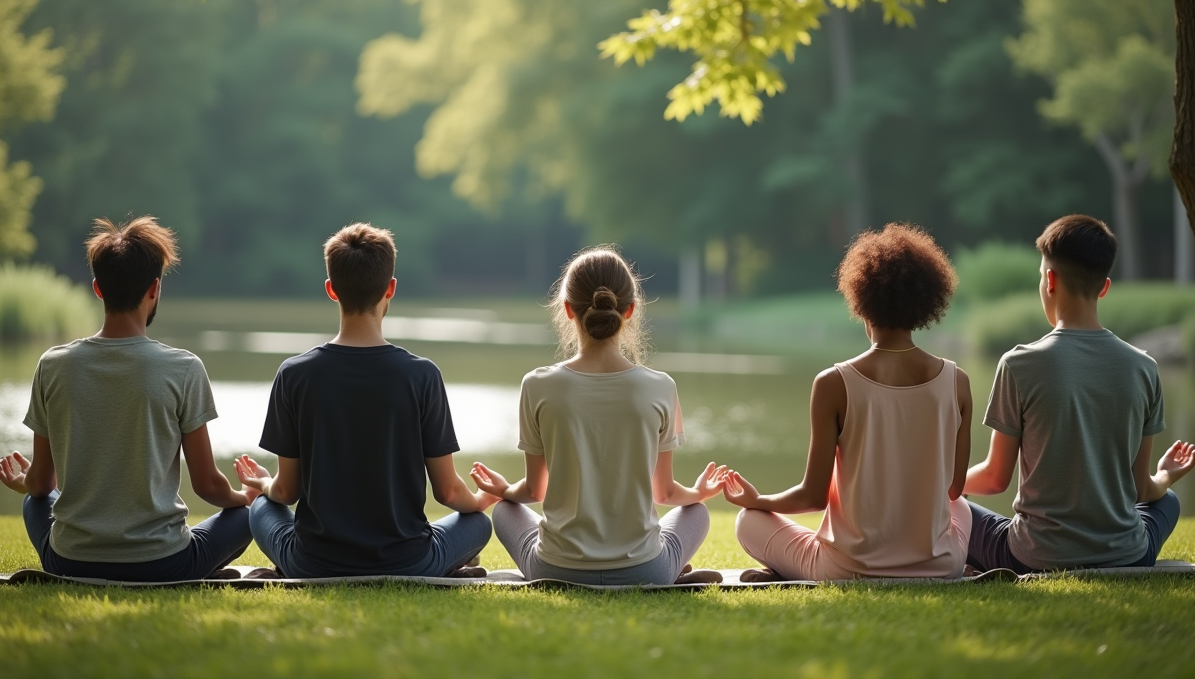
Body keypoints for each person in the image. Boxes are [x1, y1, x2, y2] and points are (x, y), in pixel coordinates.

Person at [234, 223, 496, 578]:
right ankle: (449, 563)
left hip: (312, 562)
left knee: (261, 507)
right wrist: (480, 503)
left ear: (331, 290)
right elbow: (449, 491)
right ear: (390, 288)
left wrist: (262, 484)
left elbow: (285, 491)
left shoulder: (295, 374)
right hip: (409, 561)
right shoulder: (422, 375)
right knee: (478, 525)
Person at [0, 216, 254, 581]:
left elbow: (41, 484)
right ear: (154, 288)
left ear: (97, 289)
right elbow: (208, 486)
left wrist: (23, 481)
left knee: (33, 502)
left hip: (69, 562)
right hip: (165, 564)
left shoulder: (52, 365)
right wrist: (247, 498)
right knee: (250, 514)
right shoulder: (184, 368)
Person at [722, 223, 973, 581]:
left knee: (748, 522)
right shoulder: (957, 381)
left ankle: (784, 570)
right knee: (961, 506)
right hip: (940, 566)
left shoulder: (834, 383)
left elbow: (812, 497)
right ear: (925, 303)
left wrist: (757, 500)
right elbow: (954, 489)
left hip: (850, 569)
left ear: (861, 301)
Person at [469, 246, 727, 585]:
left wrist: (505, 489)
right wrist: (699, 493)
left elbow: (535, 490)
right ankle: (671, 571)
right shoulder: (661, 386)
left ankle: (668, 570)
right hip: (645, 569)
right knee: (697, 513)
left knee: (505, 509)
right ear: (631, 310)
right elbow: (664, 494)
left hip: (554, 569)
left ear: (567, 310)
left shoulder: (537, 384)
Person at [964, 214, 1195, 573]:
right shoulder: (1144, 367)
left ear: (1050, 280)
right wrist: (1165, 475)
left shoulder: (1018, 364)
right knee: (1169, 503)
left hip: (1033, 558)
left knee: (950, 505)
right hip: (1128, 554)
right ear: (1104, 287)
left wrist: (946, 484)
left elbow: (995, 479)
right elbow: (1140, 490)